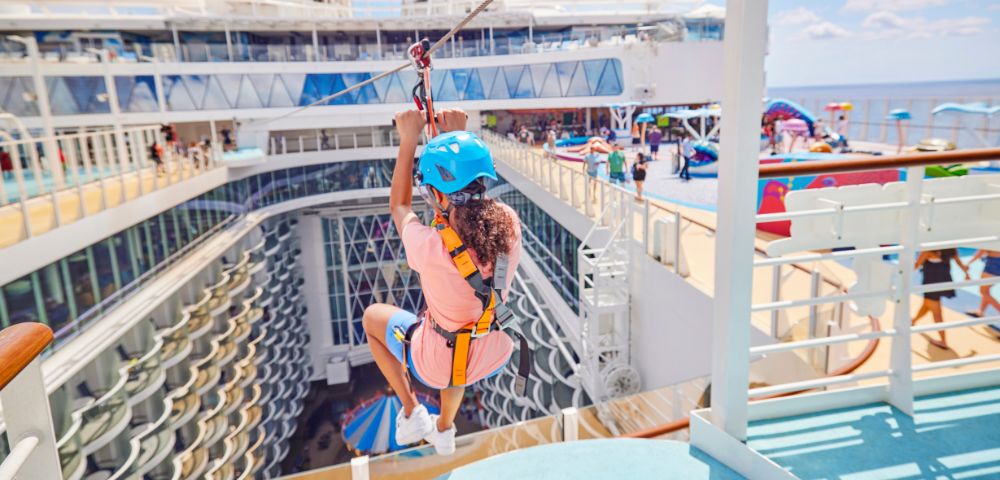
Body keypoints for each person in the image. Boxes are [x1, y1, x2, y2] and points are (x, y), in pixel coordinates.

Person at [362, 108, 524, 456]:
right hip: (492, 348)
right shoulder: (509, 224)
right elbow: (465, 208)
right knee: (457, 351)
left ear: (437, 195)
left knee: (373, 318)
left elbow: (400, 206)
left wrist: (409, 139)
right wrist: (459, 140)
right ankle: (444, 429)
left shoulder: (429, 245)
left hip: (437, 361)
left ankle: (412, 413)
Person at [913, 249, 970, 349]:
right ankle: (913, 320)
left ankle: (943, 341)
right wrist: (966, 273)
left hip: (931, 283)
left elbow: (916, 265)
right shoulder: (950, 248)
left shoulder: (929, 250)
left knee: (936, 312)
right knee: (927, 304)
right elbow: (958, 261)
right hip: (944, 281)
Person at [967, 249, 1000, 318]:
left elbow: (981, 251)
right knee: (986, 291)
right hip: (995, 264)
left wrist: (968, 263)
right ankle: (980, 311)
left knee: (983, 291)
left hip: (992, 266)